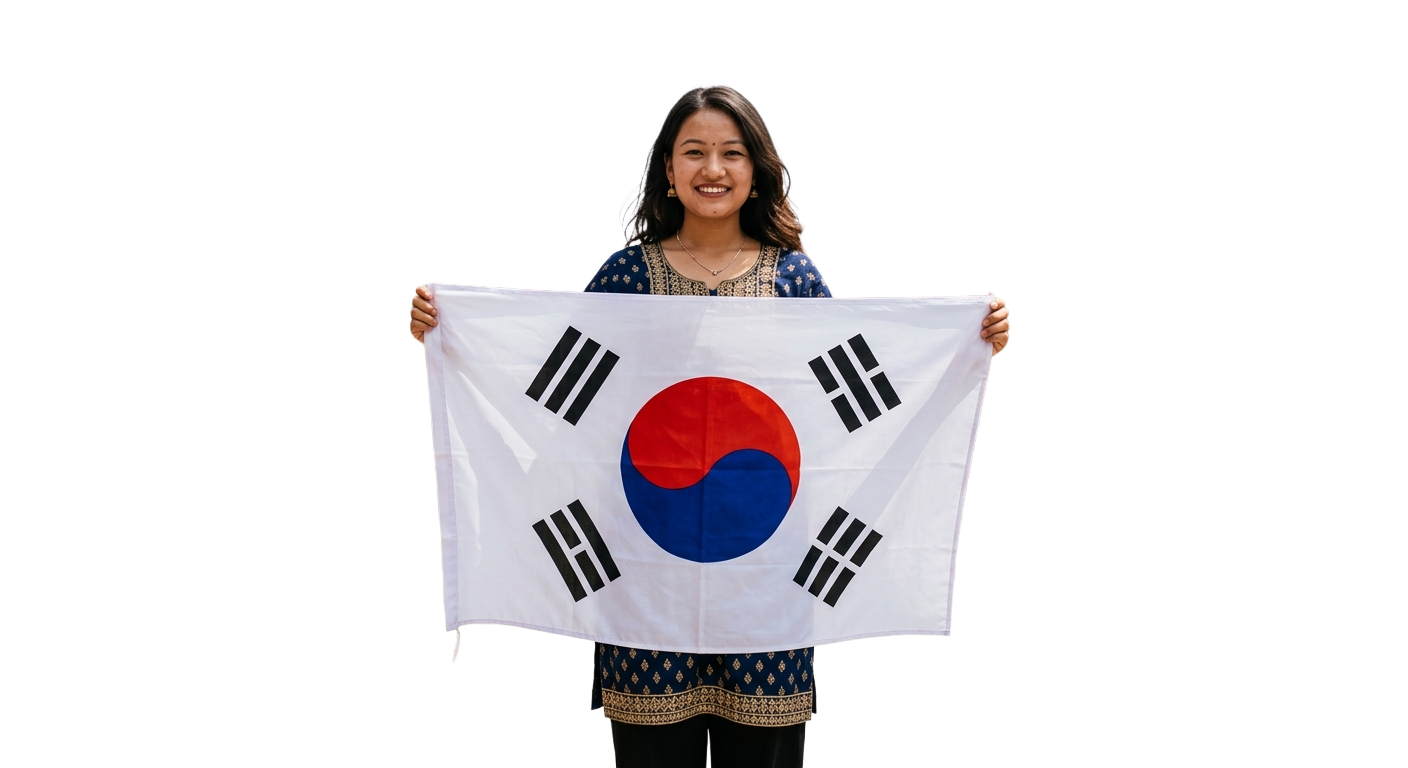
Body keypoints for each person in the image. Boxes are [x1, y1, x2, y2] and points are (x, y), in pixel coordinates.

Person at [409, 82, 1010, 768]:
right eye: (693, 152)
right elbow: (555, 397)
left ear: (757, 170)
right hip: (644, 582)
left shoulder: (797, 282)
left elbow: (859, 408)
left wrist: (968, 346)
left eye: (730, 152)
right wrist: (452, 338)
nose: (713, 169)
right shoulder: (626, 278)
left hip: (771, 581)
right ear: (668, 168)